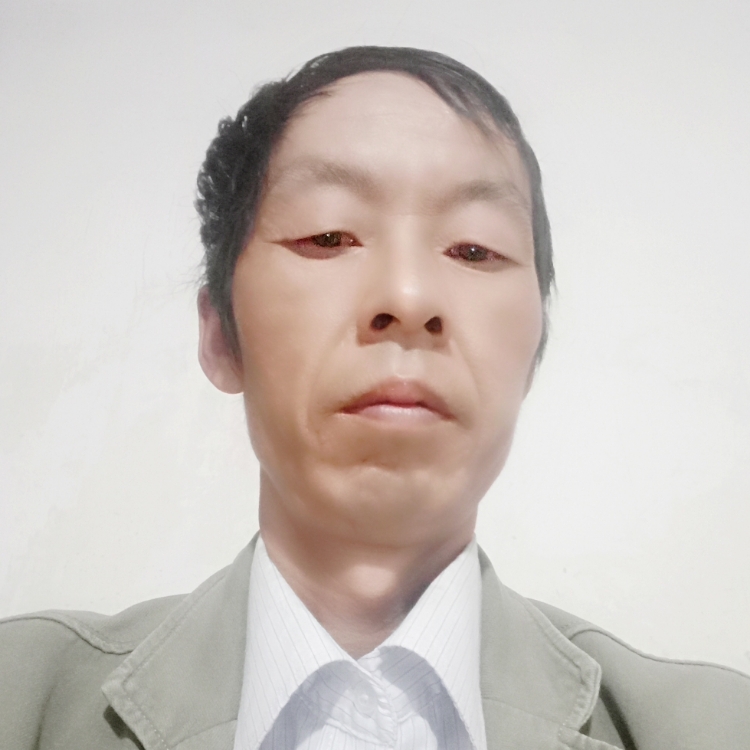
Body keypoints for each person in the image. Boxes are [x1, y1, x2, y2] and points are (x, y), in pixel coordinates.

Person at [0, 46, 748, 750]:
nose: (409, 297)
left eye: (474, 249)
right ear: (220, 334)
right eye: (329, 236)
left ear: (532, 349)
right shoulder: (23, 701)